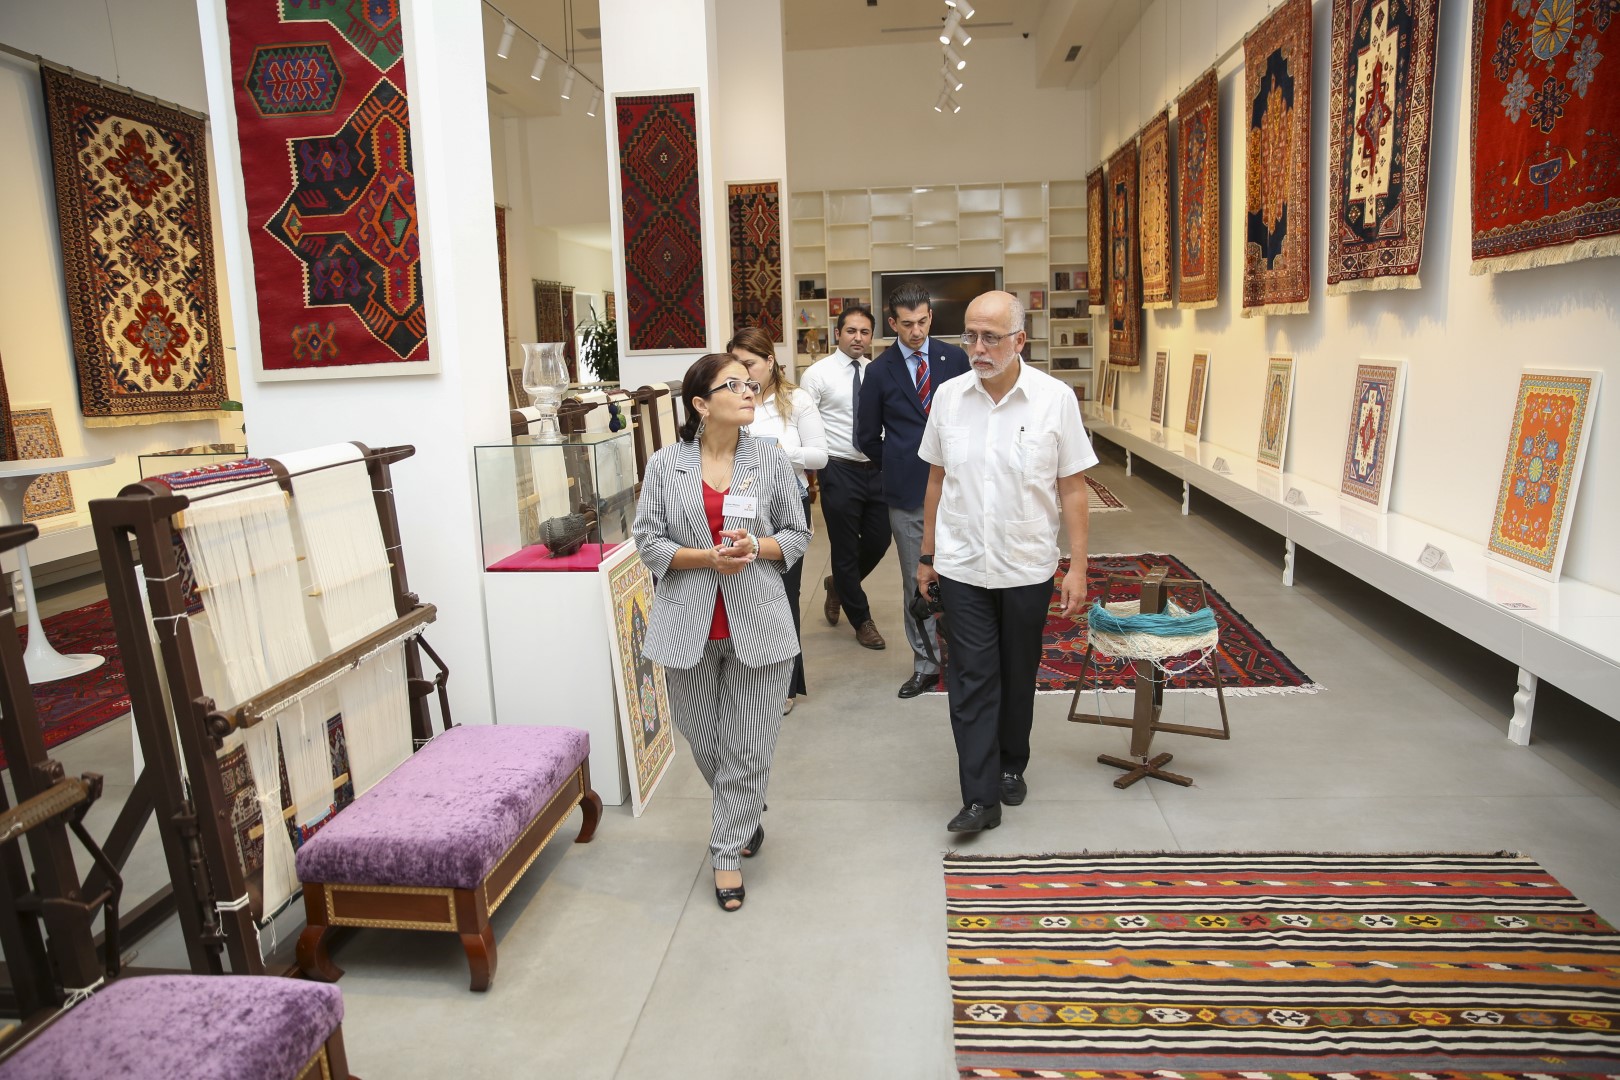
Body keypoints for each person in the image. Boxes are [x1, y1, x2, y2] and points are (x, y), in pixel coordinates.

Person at [633, 353, 811, 911]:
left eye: (748, 381)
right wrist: (705, 557)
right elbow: (648, 540)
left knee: (749, 745)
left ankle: (725, 851)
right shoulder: (666, 465)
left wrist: (757, 546)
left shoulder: (770, 458)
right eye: (731, 385)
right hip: (687, 625)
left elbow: (797, 534)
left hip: (759, 622)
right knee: (705, 740)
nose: (748, 389)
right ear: (701, 404)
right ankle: (745, 808)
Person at [917, 291, 1097, 834]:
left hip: (1026, 564)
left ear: (1020, 340)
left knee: (1018, 673)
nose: (977, 348)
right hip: (963, 564)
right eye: (970, 336)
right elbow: (936, 479)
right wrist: (927, 556)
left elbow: (1073, 488)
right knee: (971, 678)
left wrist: (1079, 566)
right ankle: (979, 798)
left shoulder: (1054, 398)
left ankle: (1011, 763)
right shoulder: (949, 397)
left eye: (991, 337)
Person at [856, 281, 970, 699]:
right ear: (892, 323)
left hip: (960, 489)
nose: (916, 331)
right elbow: (866, 436)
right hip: (906, 494)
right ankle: (926, 665)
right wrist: (899, 461)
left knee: (963, 576)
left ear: (930, 317)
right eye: (907, 324)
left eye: (922, 321)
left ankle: (966, 658)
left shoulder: (954, 359)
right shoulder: (878, 371)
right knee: (917, 582)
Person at [728, 327, 828, 714]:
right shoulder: (732, 398)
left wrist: (776, 453)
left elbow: (820, 456)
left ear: (770, 361)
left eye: (750, 363)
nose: (744, 373)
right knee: (743, 593)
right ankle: (747, 678)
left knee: (784, 595)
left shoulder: (796, 400)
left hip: (786, 506)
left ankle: (786, 685)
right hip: (741, 506)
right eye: (736, 365)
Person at [799, 305, 888, 650]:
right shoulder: (817, 375)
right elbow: (804, 423)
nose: (858, 338)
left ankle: (838, 585)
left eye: (865, 332)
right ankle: (862, 619)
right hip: (838, 468)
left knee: (880, 540)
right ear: (838, 334)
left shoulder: (877, 371)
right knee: (845, 548)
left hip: (875, 468)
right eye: (851, 331)